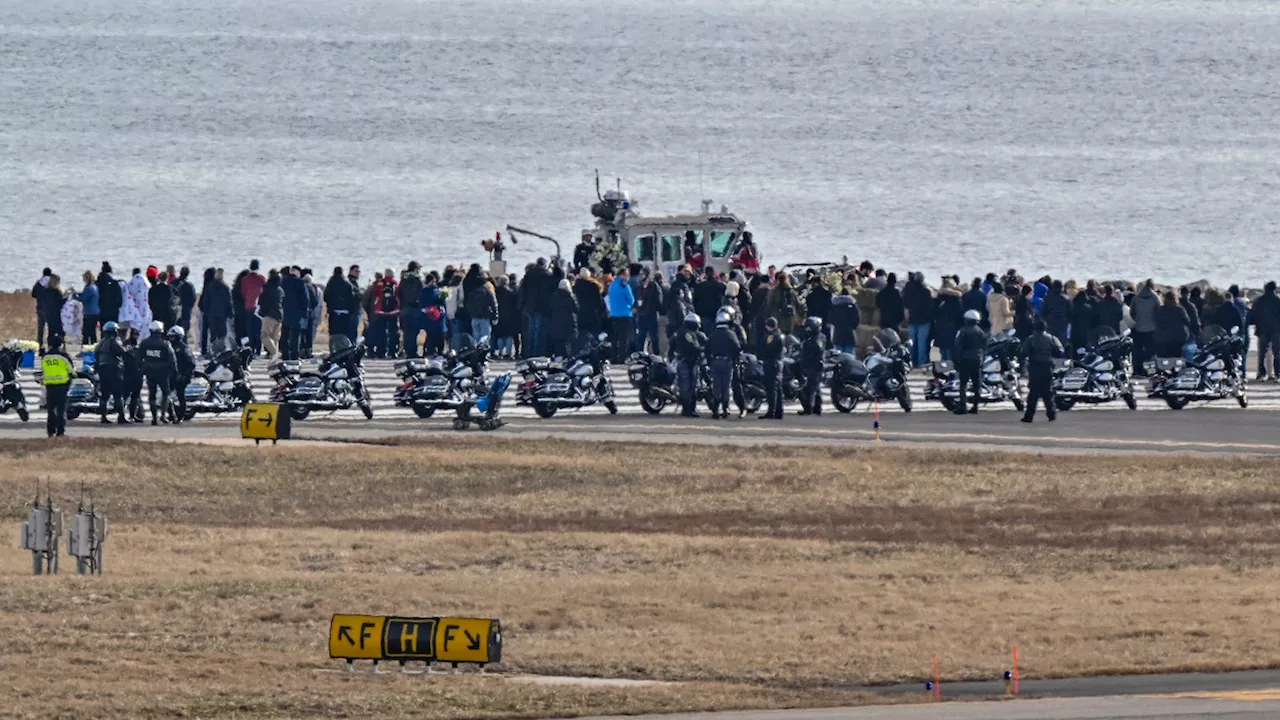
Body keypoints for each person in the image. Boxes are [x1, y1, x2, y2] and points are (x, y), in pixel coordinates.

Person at [1020, 317, 1064, 423]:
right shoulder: (1052, 338)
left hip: (1035, 367)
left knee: (1033, 393)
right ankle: (1051, 414)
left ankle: (1029, 416)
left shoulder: (1031, 339)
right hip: (1048, 367)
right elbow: (1060, 351)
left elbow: (1023, 353)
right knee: (1048, 393)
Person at [139, 320, 177, 426]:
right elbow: (172, 358)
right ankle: (163, 415)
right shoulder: (165, 344)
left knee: (152, 395)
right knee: (166, 393)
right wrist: (175, 371)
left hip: (149, 372)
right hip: (163, 372)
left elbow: (138, 358)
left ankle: (154, 418)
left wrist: (141, 370)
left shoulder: (144, 343)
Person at [706, 308, 742, 420]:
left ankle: (716, 409)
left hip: (716, 362)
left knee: (716, 385)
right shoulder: (731, 334)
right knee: (726, 386)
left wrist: (710, 362)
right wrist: (734, 359)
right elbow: (737, 348)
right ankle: (725, 409)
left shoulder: (713, 334)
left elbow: (707, 349)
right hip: (727, 362)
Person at [954, 309, 987, 415]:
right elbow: (985, 346)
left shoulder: (963, 331)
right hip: (977, 359)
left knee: (963, 384)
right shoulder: (980, 332)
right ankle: (975, 406)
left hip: (965, 359)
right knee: (977, 384)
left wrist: (956, 359)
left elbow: (957, 345)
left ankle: (963, 406)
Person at [673, 313, 706, 418]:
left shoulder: (681, 332)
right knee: (688, 386)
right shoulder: (687, 334)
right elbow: (692, 347)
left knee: (689, 386)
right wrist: (703, 350)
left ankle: (689, 408)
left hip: (685, 361)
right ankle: (688, 409)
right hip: (687, 362)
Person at [95, 321, 129, 424]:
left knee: (104, 395)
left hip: (102, 370)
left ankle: (103, 417)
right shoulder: (114, 341)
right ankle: (121, 416)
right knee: (118, 395)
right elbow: (122, 352)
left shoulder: (100, 343)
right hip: (114, 370)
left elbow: (96, 356)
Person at [41, 336, 74, 437]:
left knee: (51, 410)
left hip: (49, 386)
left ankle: (50, 431)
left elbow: (43, 370)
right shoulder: (64, 356)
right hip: (62, 386)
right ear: (61, 345)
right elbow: (71, 370)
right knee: (61, 409)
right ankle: (60, 431)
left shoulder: (45, 357)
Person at [1249, 281, 1280, 381]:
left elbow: (1253, 316)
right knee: (1277, 353)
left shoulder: (1258, 301)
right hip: (1276, 330)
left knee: (1262, 353)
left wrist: (1255, 325)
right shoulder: (1278, 300)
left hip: (1262, 329)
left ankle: (1262, 374)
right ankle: (1277, 374)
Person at [901, 272, 934, 367]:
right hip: (924, 321)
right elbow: (931, 307)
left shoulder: (908, 289)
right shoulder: (926, 291)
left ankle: (910, 362)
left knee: (912, 343)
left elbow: (904, 303)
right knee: (922, 344)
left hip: (912, 319)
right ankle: (921, 363)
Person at [797, 316, 826, 416]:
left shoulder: (817, 339)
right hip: (813, 365)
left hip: (815, 365)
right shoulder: (815, 337)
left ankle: (808, 408)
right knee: (816, 388)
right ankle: (817, 408)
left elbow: (817, 351)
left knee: (810, 389)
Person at [281, 266, 311, 361]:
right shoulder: (300, 282)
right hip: (297, 313)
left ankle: (285, 355)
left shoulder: (283, 282)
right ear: (297, 273)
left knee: (284, 335)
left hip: (284, 312)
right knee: (295, 336)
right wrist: (305, 311)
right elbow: (305, 298)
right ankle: (294, 355)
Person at [758, 316, 785, 420]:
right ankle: (779, 411)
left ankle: (772, 411)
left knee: (771, 388)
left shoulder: (772, 337)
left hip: (771, 363)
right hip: (779, 363)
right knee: (778, 388)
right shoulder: (781, 335)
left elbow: (768, 349)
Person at [1131, 279, 1160, 373]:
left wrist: (1138, 320)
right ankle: (1150, 369)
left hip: (1139, 327)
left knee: (1137, 349)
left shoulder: (1137, 297)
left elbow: (1132, 312)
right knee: (1150, 350)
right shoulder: (1155, 297)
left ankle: (1137, 368)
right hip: (1152, 328)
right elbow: (1159, 312)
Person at [167, 326, 196, 423]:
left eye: (173, 336)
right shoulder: (168, 347)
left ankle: (180, 417)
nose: (171, 338)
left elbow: (191, 364)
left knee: (181, 397)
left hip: (181, 377)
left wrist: (185, 375)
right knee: (167, 396)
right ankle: (171, 415)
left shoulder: (185, 348)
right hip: (170, 376)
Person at [607, 267, 636, 363]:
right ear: (622, 275)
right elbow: (631, 300)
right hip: (625, 314)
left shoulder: (612, 285)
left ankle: (613, 358)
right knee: (624, 339)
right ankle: (622, 359)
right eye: (627, 275)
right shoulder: (624, 285)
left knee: (615, 338)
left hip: (614, 314)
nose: (628, 277)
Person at [1154, 290, 1191, 360]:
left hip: (1163, 339)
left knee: (1163, 359)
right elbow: (1188, 321)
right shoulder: (1180, 309)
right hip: (1178, 338)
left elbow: (1156, 320)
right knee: (1177, 358)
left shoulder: (1160, 310)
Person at [933, 278, 963, 361]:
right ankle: (949, 367)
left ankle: (941, 366)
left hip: (939, 325)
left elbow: (933, 311)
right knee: (950, 348)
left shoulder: (937, 297)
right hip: (951, 325)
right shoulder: (956, 298)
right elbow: (959, 313)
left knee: (940, 348)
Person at [240, 260, 267, 354]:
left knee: (249, 329)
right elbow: (265, 292)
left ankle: (250, 349)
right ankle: (258, 350)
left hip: (248, 306)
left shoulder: (245, 279)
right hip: (258, 307)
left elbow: (243, 292)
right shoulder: (261, 278)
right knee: (258, 329)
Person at [635, 269, 664, 354]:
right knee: (641, 336)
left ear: (647, 275)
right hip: (642, 314)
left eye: (642, 274)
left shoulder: (653, 285)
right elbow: (638, 298)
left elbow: (659, 299)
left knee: (654, 337)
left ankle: (656, 355)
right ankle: (639, 354)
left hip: (652, 314)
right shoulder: (640, 286)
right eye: (639, 274)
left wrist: (655, 308)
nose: (640, 276)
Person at [324, 266, 355, 344]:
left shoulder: (331, 283)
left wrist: (330, 304)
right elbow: (352, 298)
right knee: (344, 332)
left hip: (334, 311)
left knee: (334, 332)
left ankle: (335, 348)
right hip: (345, 311)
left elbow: (326, 296)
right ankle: (343, 347)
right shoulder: (347, 283)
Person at [549, 278, 579, 359]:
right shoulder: (570, 296)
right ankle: (567, 357)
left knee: (558, 340)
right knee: (568, 341)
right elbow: (576, 308)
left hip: (556, 320)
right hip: (568, 321)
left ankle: (558, 356)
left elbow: (551, 307)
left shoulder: (554, 295)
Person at [399, 262, 424, 358]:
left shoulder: (403, 279)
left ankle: (407, 351)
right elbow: (420, 294)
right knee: (414, 331)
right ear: (415, 269)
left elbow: (400, 293)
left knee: (406, 331)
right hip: (415, 308)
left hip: (405, 308)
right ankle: (413, 352)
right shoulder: (417, 279)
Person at [257, 270, 283, 360]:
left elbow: (261, 301)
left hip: (269, 314)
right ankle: (272, 355)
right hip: (279, 314)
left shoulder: (267, 289)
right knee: (275, 337)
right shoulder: (280, 290)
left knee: (265, 336)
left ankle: (274, 353)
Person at [420, 273, 448, 357]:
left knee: (436, 335)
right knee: (433, 335)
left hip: (435, 317)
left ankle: (436, 351)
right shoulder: (429, 291)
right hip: (433, 316)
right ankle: (433, 351)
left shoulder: (435, 290)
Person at [465, 273, 496, 346]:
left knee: (476, 336)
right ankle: (484, 352)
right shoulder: (487, 290)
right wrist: (495, 316)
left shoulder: (472, 291)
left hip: (474, 317)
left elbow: (468, 303)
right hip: (484, 316)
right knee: (485, 336)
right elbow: (493, 304)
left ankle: (476, 353)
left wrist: (471, 313)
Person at [493, 275, 519, 359]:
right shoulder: (511, 293)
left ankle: (500, 352)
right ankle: (508, 353)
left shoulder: (496, 292)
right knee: (508, 336)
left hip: (499, 315)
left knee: (500, 335)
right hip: (509, 316)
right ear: (507, 282)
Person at [122, 329, 145, 422]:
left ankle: (132, 415)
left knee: (135, 396)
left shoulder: (140, 345)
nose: (136, 336)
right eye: (134, 334)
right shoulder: (126, 344)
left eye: (137, 334)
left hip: (138, 374)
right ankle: (121, 415)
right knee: (125, 395)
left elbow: (143, 358)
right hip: (127, 373)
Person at [829, 288, 860, 356]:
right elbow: (857, 319)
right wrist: (852, 327)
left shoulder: (835, 305)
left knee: (838, 356)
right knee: (849, 356)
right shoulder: (852, 305)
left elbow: (831, 319)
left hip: (837, 333)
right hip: (849, 333)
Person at [42, 274, 67, 350]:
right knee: (60, 331)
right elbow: (59, 303)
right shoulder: (56, 292)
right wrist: (66, 298)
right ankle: (61, 347)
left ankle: (50, 347)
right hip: (57, 314)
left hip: (49, 314)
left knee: (51, 331)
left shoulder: (46, 291)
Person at [78, 270, 100, 345]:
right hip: (94, 312)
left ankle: (85, 349)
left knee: (86, 333)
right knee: (92, 332)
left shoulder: (89, 288)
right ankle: (94, 349)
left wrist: (74, 296)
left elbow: (83, 299)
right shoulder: (94, 287)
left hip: (89, 313)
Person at [32, 268, 51, 352]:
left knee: (41, 329)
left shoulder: (38, 283)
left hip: (40, 308)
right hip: (50, 308)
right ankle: (51, 346)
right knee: (52, 328)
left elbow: (33, 294)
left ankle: (40, 346)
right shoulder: (51, 283)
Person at [174, 267, 197, 333]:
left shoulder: (173, 283)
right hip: (185, 312)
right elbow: (193, 299)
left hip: (174, 312)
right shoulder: (189, 285)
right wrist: (189, 308)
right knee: (184, 333)